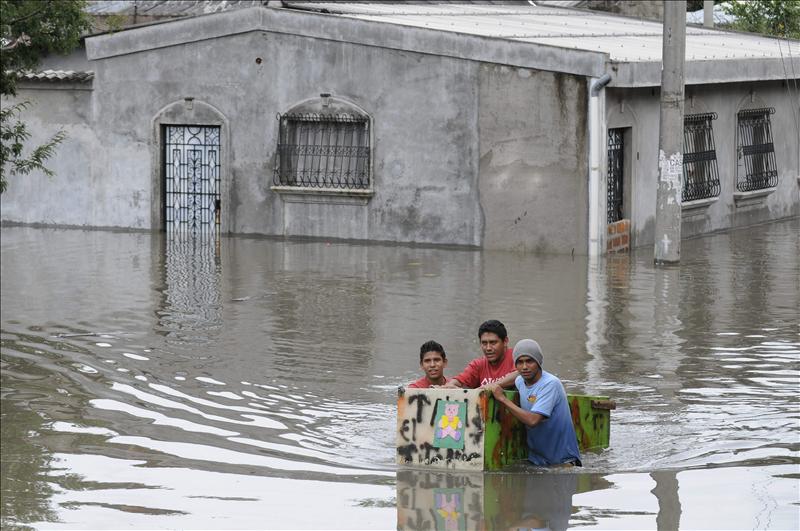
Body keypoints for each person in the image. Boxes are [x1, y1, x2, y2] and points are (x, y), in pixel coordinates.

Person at [490, 339, 581, 467]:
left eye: (529, 361)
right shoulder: (520, 381)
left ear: (539, 362)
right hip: (538, 461)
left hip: (563, 462)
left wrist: (503, 399)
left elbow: (533, 420)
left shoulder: (550, 384)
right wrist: (492, 385)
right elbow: (515, 377)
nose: (525, 367)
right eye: (520, 362)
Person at [443, 320, 517, 389]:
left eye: (493, 342)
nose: (488, 348)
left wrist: (489, 387)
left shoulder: (516, 356)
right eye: (484, 343)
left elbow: (519, 374)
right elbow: (458, 381)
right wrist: (451, 386)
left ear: (505, 341)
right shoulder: (478, 364)